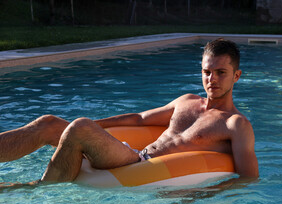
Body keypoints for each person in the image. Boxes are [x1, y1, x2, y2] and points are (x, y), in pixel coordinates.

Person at [0, 38, 259, 186]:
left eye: (220, 73)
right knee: (48, 123)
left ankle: (34, 188)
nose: (211, 79)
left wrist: (202, 193)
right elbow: (138, 119)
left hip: (139, 165)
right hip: (132, 153)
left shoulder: (235, 124)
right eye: (206, 72)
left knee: (80, 127)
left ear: (236, 75)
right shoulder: (187, 101)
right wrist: (92, 126)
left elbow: (248, 179)